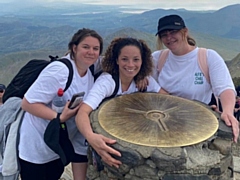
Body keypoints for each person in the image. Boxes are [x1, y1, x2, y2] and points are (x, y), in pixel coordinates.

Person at [19, 28, 103, 180]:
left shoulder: (90, 68)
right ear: (74, 47)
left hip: (57, 145)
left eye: (95, 48)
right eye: (86, 47)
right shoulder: (60, 71)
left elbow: (120, 61)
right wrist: (58, 116)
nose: (91, 52)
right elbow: (27, 103)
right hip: (36, 146)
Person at [75, 37, 167, 169]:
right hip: (91, 139)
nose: (130, 65)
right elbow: (83, 112)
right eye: (124, 59)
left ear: (142, 61)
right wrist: (91, 137)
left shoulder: (144, 80)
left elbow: (166, 98)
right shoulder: (107, 82)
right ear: (117, 60)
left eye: (136, 59)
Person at [151, 14, 239, 143]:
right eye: (164, 34)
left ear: (185, 32)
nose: (169, 38)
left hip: (197, 123)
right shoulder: (157, 58)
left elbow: (224, 87)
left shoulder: (208, 57)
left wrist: (228, 111)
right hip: (163, 122)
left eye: (173, 32)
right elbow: (146, 83)